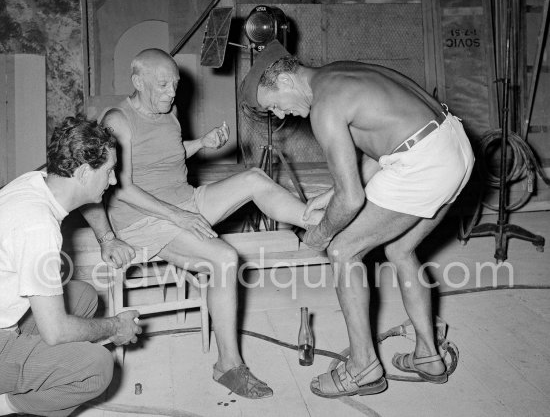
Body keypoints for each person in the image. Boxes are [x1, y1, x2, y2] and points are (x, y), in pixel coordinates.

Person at [81, 48, 323, 400]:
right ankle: (228, 365)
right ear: (137, 81)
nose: (170, 92)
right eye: (161, 85)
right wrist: (178, 216)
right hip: (144, 220)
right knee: (224, 258)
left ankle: (312, 220)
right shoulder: (118, 120)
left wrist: (202, 144)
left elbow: (169, 152)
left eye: (174, 85)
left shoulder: (170, 111)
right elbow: (125, 187)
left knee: (254, 178)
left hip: (184, 201)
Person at [241, 40, 474, 398]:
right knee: (399, 249)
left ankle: (363, 367)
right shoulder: (337, 74)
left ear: (286, 81)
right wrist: (329, 195)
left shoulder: (324, 108)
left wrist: (319, 235)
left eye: (275, 105)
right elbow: (384, 150)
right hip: (453, 145)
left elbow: (352, 199)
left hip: (424, 164)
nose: (282, 115)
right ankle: (428, 356)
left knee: (344, 251)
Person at [0, 117, 141, 417]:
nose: (114, 181)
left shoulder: (37, 181)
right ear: (80, 172)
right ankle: (7, 405)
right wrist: (116, 327)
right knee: (97, 367)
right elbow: (55, 331)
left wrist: (107, 238)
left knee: (85, 298)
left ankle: (31, 372)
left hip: (6, 315)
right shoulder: (38, 227)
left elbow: (85, 198)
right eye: (108, 171)